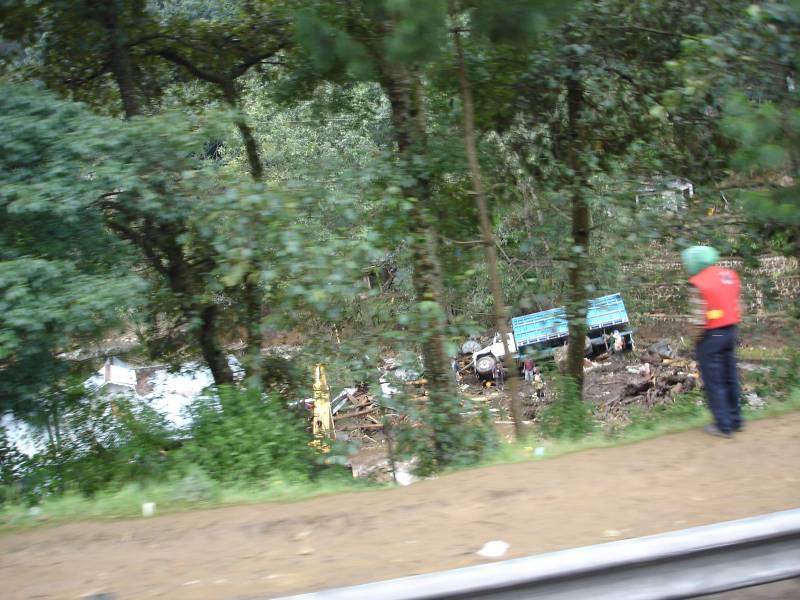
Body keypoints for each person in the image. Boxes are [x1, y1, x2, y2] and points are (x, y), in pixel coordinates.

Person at [681, 245, 742, 438]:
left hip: (711, 336)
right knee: (730, 376)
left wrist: (696, 342)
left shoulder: (698, 282)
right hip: (731, 331)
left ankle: (723, 426)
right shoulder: (729, 276)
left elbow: (698, 319)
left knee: (714, 381)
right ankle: (736, 420)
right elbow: (740, 306)